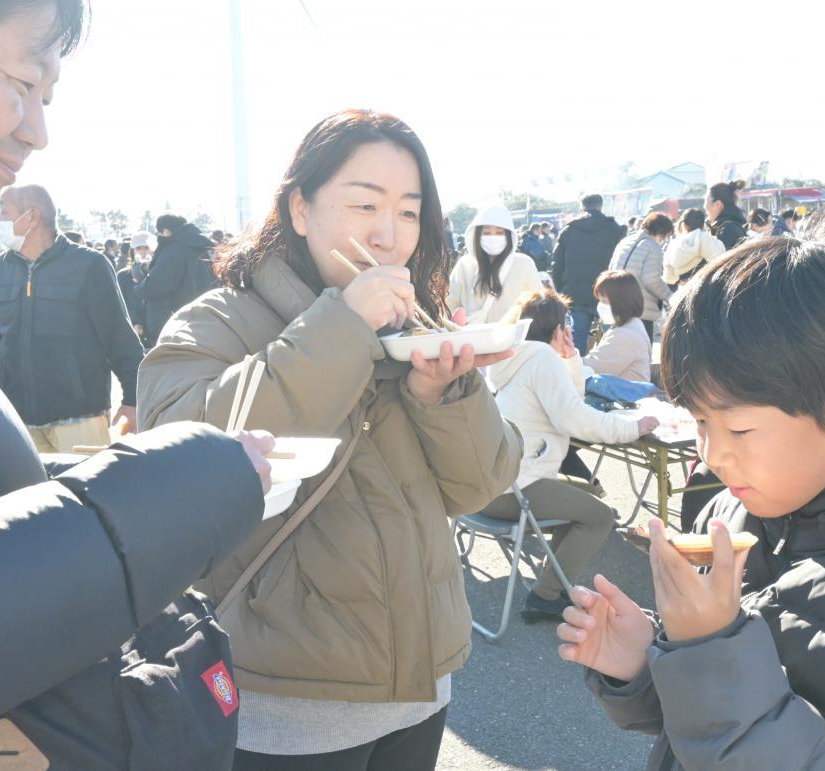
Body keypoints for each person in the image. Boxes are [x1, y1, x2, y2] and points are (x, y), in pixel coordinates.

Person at [0, 1, 275, 766]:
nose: (37, 129)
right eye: (23, 80)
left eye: (48, 96)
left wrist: (127, 460)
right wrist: (186, 485)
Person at [137, 109, 522, 771]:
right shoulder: (219, 320)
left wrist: (445, 396)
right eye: (363, 203)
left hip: (419, 685)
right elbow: (178, 455)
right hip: (287, 705)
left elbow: (482, 482)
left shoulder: (414, 325)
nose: (387, 232)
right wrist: (339, 326)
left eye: (408, 211)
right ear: (300, 208)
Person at [558, 232, 825, 769]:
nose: (711, 456)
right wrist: (646, 663)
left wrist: (708, 647)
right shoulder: (733, 509)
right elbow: (706, 725)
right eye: (700, 421)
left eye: (740, 428)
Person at [486, 288, 657, 621]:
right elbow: (574, 418)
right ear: (556, 327)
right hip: (515, 487)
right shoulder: (539, 358)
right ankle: (545, 594)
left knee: (588, 495)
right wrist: (633, 428)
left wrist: (570, 358)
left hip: (496, 482)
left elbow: (570, 404)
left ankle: (554, 584)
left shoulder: (518, 355)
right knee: (600, 516)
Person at [0, 184, 144, 450]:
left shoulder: (89, 265)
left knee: (87, 490)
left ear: (31, 217)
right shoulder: (1, 267)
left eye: (4, 212)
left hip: (80, 418)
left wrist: (133, 400)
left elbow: (118, 337)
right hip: (18, 422)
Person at [552, 194, 626, 355]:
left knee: (577, 339)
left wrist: (562, 290)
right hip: (607, 293)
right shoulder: (615, 229)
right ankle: (609, 371)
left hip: (576, 293)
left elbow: (556, 264)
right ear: (601, 206)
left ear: (582, 207)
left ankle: (578, 372)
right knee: (611, 336)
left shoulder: (569, 230)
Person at [447, 203, 542, 324]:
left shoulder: (524, 264)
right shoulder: (465, 265)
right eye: (486, 233)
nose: (493, 237)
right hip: (473, 340)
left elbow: (538, 304)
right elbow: (450, 304)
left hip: (512, 339)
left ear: (509, 235)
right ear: (477, 235)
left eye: (499, 232)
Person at [142, 212, 216, 340]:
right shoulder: (202, 247)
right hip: (204, 315)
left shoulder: (174, 250)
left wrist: (139, 287)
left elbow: (157, 285)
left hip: (176, 322)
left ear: (165, 231)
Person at [609, 211, 673, 340]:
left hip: (616, 305)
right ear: (661, 232)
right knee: (641, 354)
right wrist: (670, 297)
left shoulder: (625, 242)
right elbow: (651, 279)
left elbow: (610, 270)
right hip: (640, 309)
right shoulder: (653, 247)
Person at [584, 271, 652, 381]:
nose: (601, 306)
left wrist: (568, 357)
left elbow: (593, 367)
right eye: (600, 301)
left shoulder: (625, 335)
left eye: (604, 301)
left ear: (622, 302)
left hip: (624, 397)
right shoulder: (632, 325)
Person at [662, 208, 725, 287]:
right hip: (705, 290)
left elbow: (669, 278)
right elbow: (721, 265)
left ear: (684, 225)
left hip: (682, 292)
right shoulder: (708, 240)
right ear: (703, 224)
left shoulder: (673, 245)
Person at [118, 230, 156, 346]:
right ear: (133, 251)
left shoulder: (160, 274)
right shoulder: (123, 276)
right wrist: (133, 322)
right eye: (138, 248)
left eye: (146, 248)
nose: (143, 252)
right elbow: (120, 303)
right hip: (131, 330)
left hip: (155, 329)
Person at [704, 181, 748, 250]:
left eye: (706, 202)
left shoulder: (727, 230)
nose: (704, 206)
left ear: (717, 204)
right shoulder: (730, 225)